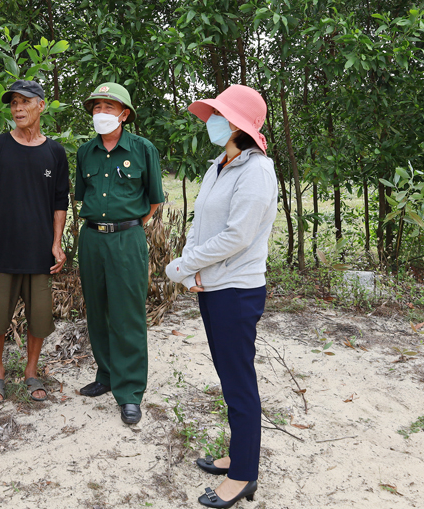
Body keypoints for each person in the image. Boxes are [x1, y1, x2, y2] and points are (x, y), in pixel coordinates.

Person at [165, 84, 277, 508]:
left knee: (238, 383)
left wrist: (185, 265)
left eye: (217, 114)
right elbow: (202, 222)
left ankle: (244, 475)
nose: (210, 120)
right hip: (212, 285)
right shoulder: (221, 164)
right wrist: (192, 265)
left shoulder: (257, 171)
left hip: (237, 290)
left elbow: (238, 235)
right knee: (230, 378)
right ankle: (239, 456)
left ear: (237, 124)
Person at [74, 82, 164, 425]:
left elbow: (154, 200)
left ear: (124, 114)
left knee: (127, 314)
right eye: (96, 108)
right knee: (97, 309)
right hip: (92, 238)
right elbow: (84, 194)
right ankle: (106, 375)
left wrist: (128, 226)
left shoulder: (142, 149)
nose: (101, 114)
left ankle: (129, 392)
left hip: (127, 239)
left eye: (108, 108)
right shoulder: (85, 152)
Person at [0, 79, 69, 404]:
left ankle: (31, 372)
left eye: (25, 102)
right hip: (1, 250)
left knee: (40, 317)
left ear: (41, 105)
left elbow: (60, 202)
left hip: (40, 252)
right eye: (14, 103)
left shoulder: (55, 152)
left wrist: (57, 243)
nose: (18, 108)